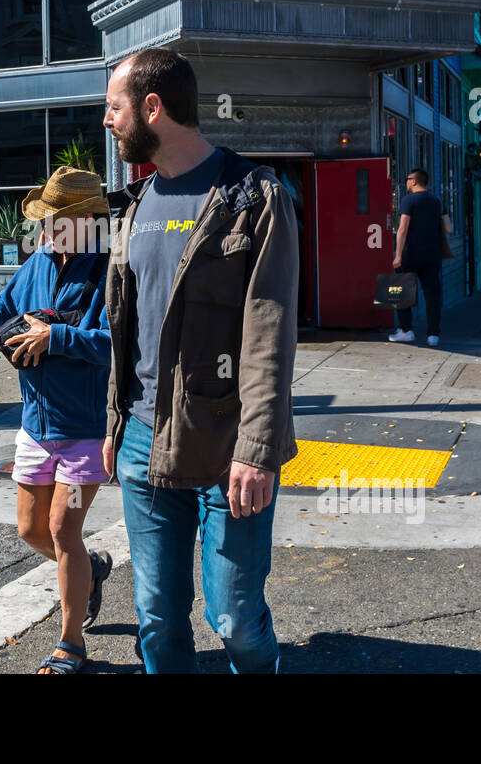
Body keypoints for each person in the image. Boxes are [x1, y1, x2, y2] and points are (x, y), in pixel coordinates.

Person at [101, 47, 299, 674]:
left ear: (152, 108)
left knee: (236, 616)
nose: (107, 120)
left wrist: (257, 449)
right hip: (141, 440)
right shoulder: (133, 207)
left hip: (227, 444)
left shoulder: (253, 196)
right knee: (157, 616)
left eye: (114, 106)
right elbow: (123, 329)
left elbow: (269, 330)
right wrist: (114, 423)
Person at [0, 166, 114, 674]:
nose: (49, 229)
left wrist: (55, 338)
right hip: (35, 425)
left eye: (59, 220)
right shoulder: (35, 264)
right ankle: (92, 570)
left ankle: (70, 644)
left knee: (61, 529)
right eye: (48, 219)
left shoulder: (112, 270)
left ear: (88, 221)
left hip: (84, 430)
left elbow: (119, 345)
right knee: (31, 530)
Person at [388, 168, 448, 347]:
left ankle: (406, 331)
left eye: (407, 179)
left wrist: (397, 254)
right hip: (432, 254)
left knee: (399, 291)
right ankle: (433, 335)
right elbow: (449, 228)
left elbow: (403, 228)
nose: (406, 182)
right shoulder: (437, 201)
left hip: (411, 254)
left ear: (413, 181)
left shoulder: (409, 200)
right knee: (432, 295)